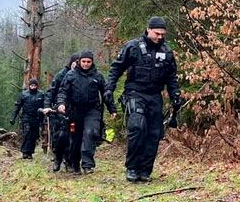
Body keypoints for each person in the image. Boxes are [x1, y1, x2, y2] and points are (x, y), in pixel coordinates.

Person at [106, 16, 182, 183]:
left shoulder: (167, 51)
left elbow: (171, 77)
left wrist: (175, 95)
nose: (160, 37)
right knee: (138, 127)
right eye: (157, 33)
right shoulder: (133, 47)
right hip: (135, 93)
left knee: (154, 134)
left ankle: (145, 170)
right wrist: (109, 88)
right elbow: (116, 68)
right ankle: (132, 167)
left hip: (155, 95)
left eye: (163, 34)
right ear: (148, 29)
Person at [56, 51, 116, 174]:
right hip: (75, 110)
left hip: (92, 110)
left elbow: (105, 93)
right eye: (84, 61)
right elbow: (63, 91)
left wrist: (112, 109)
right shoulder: (71, 75)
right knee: (76, 138)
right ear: (79, 62)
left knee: (91, 132)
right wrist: (61, 104)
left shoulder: (97, 76)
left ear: (92, 62)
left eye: (88, 62)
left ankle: (87, 164)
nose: (86, 64)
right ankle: (74, 163)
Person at [44, 53, 79, 172]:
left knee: (74, 137)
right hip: (60, 109)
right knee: (60, 136)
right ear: (72, 62)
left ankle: (70, 161)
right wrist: (47, 106)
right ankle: (58, 157)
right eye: (76, 62)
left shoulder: (83, 74)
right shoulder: (62, 75)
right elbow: (51, 91)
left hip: (76, 110)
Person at [10, 78, 46, 159]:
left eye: (35, 85)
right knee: (27, 133)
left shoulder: (41, 94)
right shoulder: (24, 94)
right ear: (29, 86)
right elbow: (17, 106)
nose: (33, 87)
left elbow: (45, 105)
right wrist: (13, 118)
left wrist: (44, 117)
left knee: (34, 135)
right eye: (31, 85)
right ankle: (25, 152)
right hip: (26, 117)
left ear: (37, 86)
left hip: (36, 118)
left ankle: (30, 152)